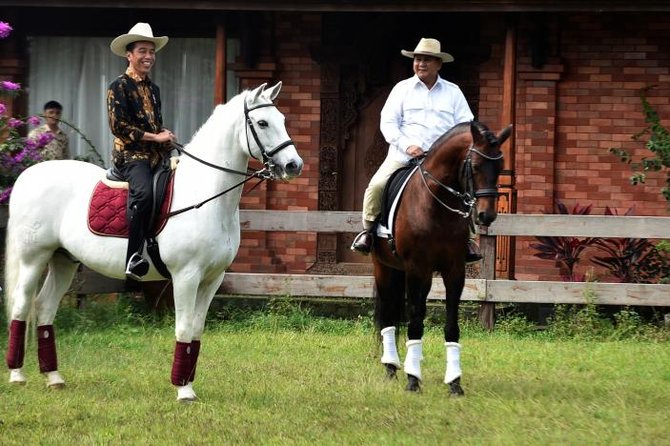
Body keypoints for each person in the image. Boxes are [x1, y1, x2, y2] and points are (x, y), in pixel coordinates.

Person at [351, 37, 482, 263]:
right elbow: (388, 123)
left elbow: (466, 126)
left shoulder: (453, 92)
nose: (421, 64)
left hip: (442, 162)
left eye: (427, 60)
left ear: (438, 64)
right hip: (404, 156)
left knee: (469, 188)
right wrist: (407, 145)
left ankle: (468, 239)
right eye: (418, 59)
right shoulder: (402, 89)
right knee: (376, 186)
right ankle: (368, 233)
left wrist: (451, 149)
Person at [108, 22, 176, 280]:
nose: (148, 56)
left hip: (156, 155)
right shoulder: (118, 86)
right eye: (142, 51)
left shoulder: (154, 89)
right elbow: (119, 127)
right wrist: (155, 137)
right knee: (145, 195)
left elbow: (154, 125)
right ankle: (133, 257)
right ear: (129, 55)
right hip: (130, 156)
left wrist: (165, 135)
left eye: (151, 51)